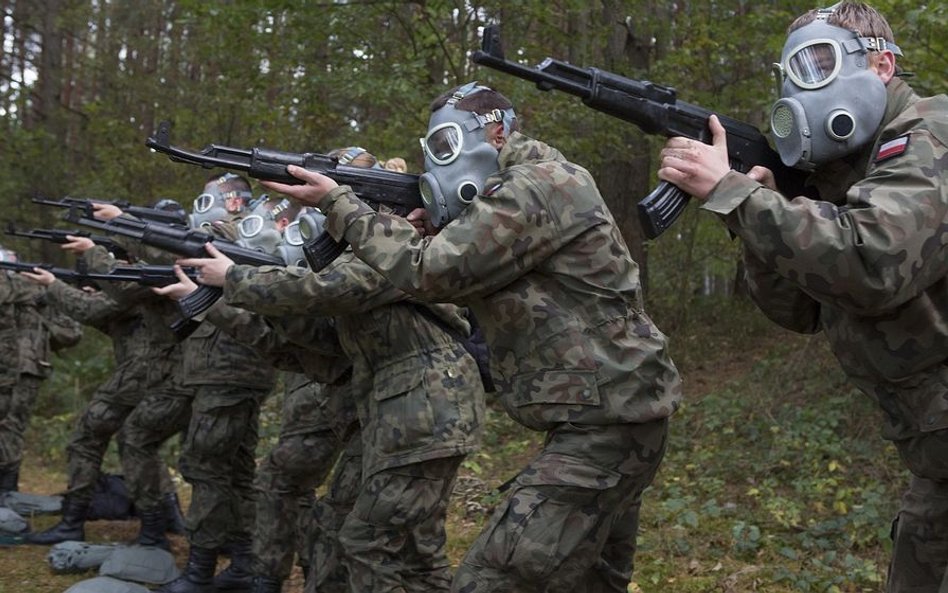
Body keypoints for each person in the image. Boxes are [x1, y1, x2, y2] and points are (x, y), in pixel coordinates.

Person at [240, 82, 683, 592]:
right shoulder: (526, 190)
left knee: (492, 578)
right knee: (592, 580)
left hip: (610, 419)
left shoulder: (539, 183)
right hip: (614, 412)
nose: (438, 162)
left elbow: (433, 272)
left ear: (497, 131)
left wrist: (342, 206)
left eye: (446, 145)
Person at [655, 3, 947, 591]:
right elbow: (801, 310)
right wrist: (754, 214)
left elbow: (872, 262)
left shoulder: (930, 134)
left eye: (819, 65)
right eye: (792, 71)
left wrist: (737, 195)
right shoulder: (845, 172)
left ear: (883, 64)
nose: (801, 87)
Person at [20, 245, 185, 546]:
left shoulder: (139, 281)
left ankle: (74, 522)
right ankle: (167, 518)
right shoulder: (150, 279)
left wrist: (52, 285)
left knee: (88, 436)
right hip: (158, 369)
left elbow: (92, 309)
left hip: (143, 369)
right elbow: (103, 316)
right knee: (139, 440)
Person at [0, 246, 82, 494]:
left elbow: (70, 333)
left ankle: (7, 496)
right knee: (10, 428)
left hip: (24, 368)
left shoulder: (36, 293)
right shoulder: (23, 290)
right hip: (18, 366)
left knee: (10, 427)